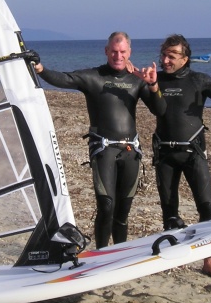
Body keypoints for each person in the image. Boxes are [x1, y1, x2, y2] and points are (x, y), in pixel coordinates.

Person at [132, 34, 211, 282]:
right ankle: (171, 257)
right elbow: (153, 107)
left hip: (194, 153)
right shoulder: (155, 81)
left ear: (185, 59)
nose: (165, 60)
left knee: (206, 208)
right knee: (170, 211)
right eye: (164, 55)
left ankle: (208, 262)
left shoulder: (198, 80)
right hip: (166, 153)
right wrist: (145, 83)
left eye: (172, 56)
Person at [31, 32, 165, 249]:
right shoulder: (93, 77)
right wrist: (40, 69)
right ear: (106, 51)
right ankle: (102, 252)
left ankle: (120, 251)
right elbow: (64, 78)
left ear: (129, 52)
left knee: (123, 210)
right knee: (106, 205)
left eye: (122, 51)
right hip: (104, 151)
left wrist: (153, 85)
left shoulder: (137, 81)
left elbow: (160, 110)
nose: (118, 55)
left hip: (131, 151)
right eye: (114, 51)